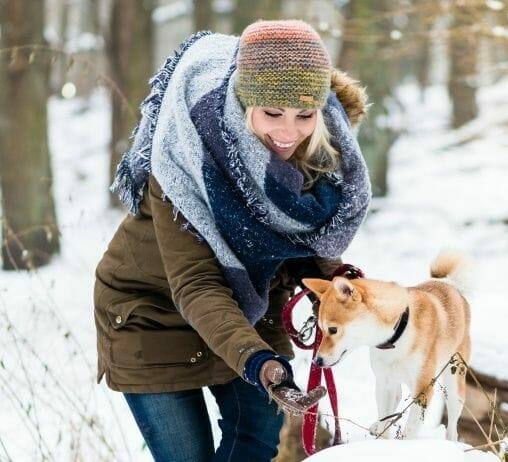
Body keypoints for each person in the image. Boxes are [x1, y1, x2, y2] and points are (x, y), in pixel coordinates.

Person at [94, 19, 371, 461]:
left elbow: (301, 248)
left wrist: (343, 285)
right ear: (243, 103)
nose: (288, 132)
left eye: (305, 115)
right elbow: (196, 283)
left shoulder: (326, 155)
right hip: (152, 312)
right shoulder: (184, 157)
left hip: (252, 304)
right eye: (271, 114)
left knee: (257, 442)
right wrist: (258, 362)